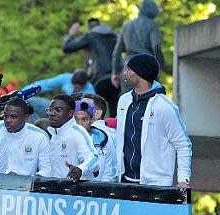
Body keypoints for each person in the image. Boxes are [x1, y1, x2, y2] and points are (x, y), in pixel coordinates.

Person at [115, 53, 191, 188]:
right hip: (123, 181)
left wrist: (183, 179)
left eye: (129, 69)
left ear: (140, 73)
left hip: (154, 185)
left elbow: (183, 144)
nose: (125, 73)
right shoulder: (124, 100)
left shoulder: (165, 107)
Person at [63, 19, 119, 116]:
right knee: (116, 114)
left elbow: (67, 47)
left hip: (98, 80)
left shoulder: (91, 36)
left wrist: (71, 35)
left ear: (90, 28)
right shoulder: (114, 35)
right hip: (116, 78)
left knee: (93, 113)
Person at [112, 0, 165, 91]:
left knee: (127, 102)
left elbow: (117, 52)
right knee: (150, 101)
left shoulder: (126, 25)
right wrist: (159, 64)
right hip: (146, 67)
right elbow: (156, 47)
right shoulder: (152, 25)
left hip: (128, 67)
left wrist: (115, 73)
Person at [45, 94, 98, 181]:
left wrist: (80, 169)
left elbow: (94, 159)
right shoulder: (53, 133)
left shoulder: (77, 133)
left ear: (70, 113)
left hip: (75, 191)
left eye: (58, 110)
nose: (51, 114)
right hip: (55, 191)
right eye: (50, 110)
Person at [0, 98, 50, 177]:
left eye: (13, 117)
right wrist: (7, 173)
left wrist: (33, 182)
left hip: (28, 186)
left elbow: (47, 169)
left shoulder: (40, 136)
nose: (8, 120)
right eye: (5, 116)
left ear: (26, 118)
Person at [73, 100, 118, 182]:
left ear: (92, 119)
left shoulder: (105, 140)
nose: (79, 124)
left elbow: (109, 173)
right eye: (76, 119)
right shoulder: (65, 139)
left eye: (84, 119)